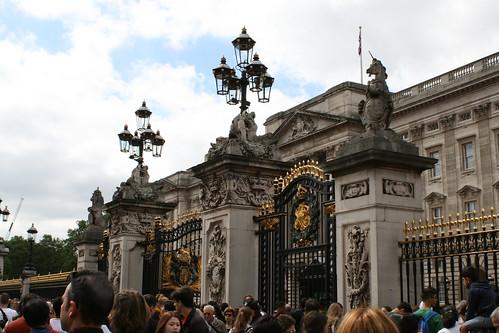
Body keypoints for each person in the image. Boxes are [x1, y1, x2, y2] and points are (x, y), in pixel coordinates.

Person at [460, 266, 496, 333]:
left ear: (468, 279)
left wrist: (467, 323)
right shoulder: (485, 285)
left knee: (463, 327)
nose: (463, 282)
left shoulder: (473, 289)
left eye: (463, 280)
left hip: (486, 318)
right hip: (493, 316)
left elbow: (471, 312)